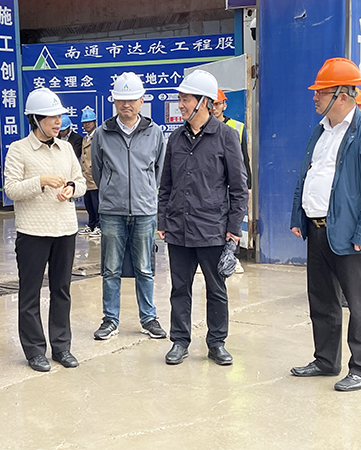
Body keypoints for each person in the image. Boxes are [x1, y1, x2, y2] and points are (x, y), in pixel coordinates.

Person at [290, 58, 361, 392]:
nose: (314, 97)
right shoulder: (321, 130)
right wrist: (298, 216)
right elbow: (308, 174)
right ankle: (326, 360)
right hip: (317, 230)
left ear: (342, 96)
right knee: (321, 300)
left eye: (321, 92)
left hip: (350, 235)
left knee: (359, 305)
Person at [157, 70, 248, 366]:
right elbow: (166, 185)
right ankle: (179, 342)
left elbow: (239, 187)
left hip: (213, 229)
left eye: (186, 99)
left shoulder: (227, 136)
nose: (180, 104)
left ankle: (217, 343)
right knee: (179, 288)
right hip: (179, 229)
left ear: (203, 102)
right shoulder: (175, 138)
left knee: (216, 289)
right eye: (180, 98)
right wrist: (162, 221)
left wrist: (234, 228)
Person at [4, 88, 86, 372]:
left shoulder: (66, 148)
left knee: (61, 290)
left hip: (65, 230)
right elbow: (11, 189)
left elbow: (81, 181)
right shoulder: (19, 149)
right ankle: (35, 351)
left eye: (59, 116)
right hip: (33, 233)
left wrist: (71, 188)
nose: (58, 122)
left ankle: (61, 347)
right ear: (36, 119)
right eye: (52, 117)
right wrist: (40, 181)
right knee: (30, 293)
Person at [91, 72, 167, 341]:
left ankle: (148, 318)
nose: (127, 104)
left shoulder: (154, 132)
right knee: (110, 269)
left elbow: (159, 170)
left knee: (145, 268)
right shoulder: (102, 133)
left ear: (142, 100)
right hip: (112, 211)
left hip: (145, 211)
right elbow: (97, 170)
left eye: (132, 99)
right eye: (122, 99)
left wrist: (145, 193)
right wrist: (112, 191)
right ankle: (110, 319)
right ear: (114, 101)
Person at [211, 89, 252, 274]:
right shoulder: (203, 127)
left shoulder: (237, 127)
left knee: (234, 222)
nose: (214, 108)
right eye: (211, 104)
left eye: (218, 104)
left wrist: (248, 185)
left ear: (224, 105)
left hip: (233, 184)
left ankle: (232, 258)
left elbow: (244, 159)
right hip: (214, 185)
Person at [78, 109, 100, 237]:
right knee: (89, 203)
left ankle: (99, 225)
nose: (87, 124)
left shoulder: (99, 136)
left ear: (95, 122)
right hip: (86, 176)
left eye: (89, 122)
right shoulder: (85, 138)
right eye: (85, 122)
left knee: (97, 203)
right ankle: (91, 225)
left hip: (95, 176)